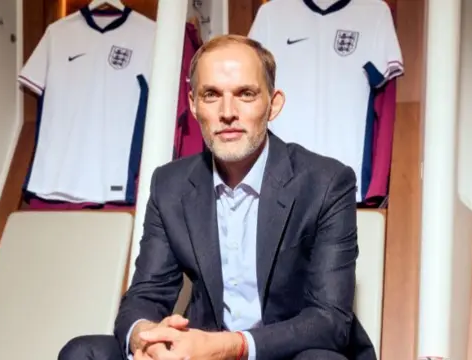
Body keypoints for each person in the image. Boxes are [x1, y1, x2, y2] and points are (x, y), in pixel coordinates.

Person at [58, 34, 375, 360]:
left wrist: (229, 347)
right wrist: (146, 339)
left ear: (273, 104)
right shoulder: (171, 185)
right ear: (193, 104)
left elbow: (328, 320)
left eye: (245, 94)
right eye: (211, 95)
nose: (227, 112)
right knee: (84, 353)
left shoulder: (326, 182)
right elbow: (147, 294)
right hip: (199, 347)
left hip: (285, 351)